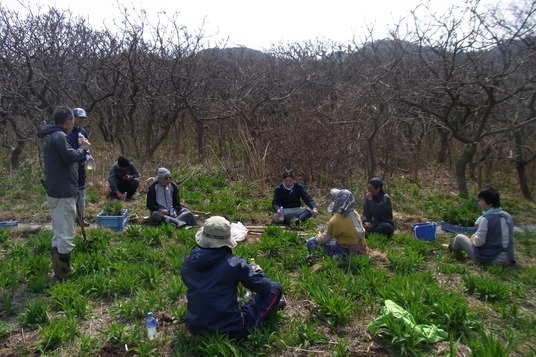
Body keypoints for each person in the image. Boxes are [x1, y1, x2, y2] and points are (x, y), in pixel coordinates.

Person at [181, 216, 285, 339]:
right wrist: (259, 272)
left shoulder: (188, 261)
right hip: (230, 329)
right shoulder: (234, 264)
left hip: (195, 325)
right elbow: (265, 287)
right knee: (275, 288)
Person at [37, 106, 91, 281]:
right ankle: (64, 272)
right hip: (62, 192)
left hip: (58, 190)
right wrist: (83, 148)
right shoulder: (60, 136)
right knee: (66, 233)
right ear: (68, 120)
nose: (73, 123)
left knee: (59, 230)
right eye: (72, 120)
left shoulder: (54, 136)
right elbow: (69, 156)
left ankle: (58, 269)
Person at [449, 187, 515, 265]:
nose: (479, 203)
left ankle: (452, 247)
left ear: (490, 203)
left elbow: (479, 242)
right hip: (508, 258)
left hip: (491, 259)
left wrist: (473, 238)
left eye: (481, 201)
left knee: (459, 237)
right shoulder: (507, 216)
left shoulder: (486, 219)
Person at [307, 188, 369, 258]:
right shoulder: (356, 214)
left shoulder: (336, 219)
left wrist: (317, 237)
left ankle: (339, 257)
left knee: (311, 241)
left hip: (345, 250)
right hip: (361, 248)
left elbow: (325, 239)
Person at [67, 107, 92, 226]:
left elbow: (85, 147)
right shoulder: (67, 133)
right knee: (71, 194)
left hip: (81, 167)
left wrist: (87, 155)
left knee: (81, 192)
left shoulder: (83, 131)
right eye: (79, 118)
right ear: (73, 118)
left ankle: (81, 218)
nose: (81, 120)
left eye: (83, 118)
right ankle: (70, 218)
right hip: (71, 167)